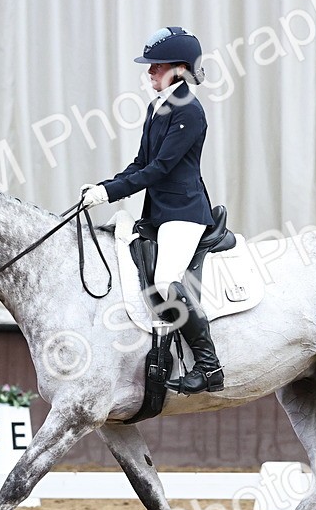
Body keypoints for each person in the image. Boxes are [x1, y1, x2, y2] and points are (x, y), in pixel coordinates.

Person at [80, 27, 224, 394]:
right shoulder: (156, 107)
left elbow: (159, 169)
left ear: (178, 69)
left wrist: (110, 193)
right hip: (158, 212)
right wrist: (102, 187)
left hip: (185, 211)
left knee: (164, 282)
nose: (149, 73)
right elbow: (141, 162)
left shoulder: (190, 112)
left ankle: (209, 368)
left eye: (156, 66)